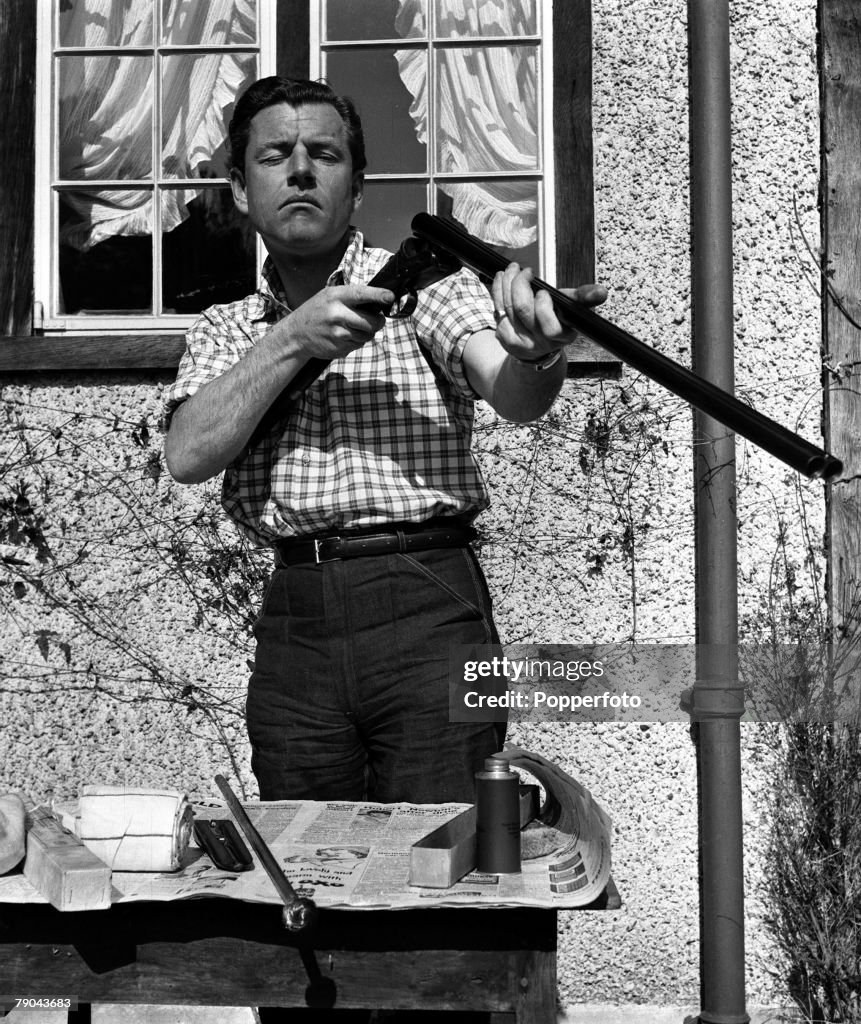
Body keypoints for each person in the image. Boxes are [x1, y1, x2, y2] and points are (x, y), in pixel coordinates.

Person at [163, 76, 606, 807]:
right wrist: (292, 339)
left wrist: (537, 353)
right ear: (240, 190)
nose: (300, 170)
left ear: (357, 185)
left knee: (444, 851)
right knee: (306, 854)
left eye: (324, 154)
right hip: (296, 613)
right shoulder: (225, 331)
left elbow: (512, 390)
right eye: (276, 155)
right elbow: (188, 454)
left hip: (426, 594)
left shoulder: (420, 285)